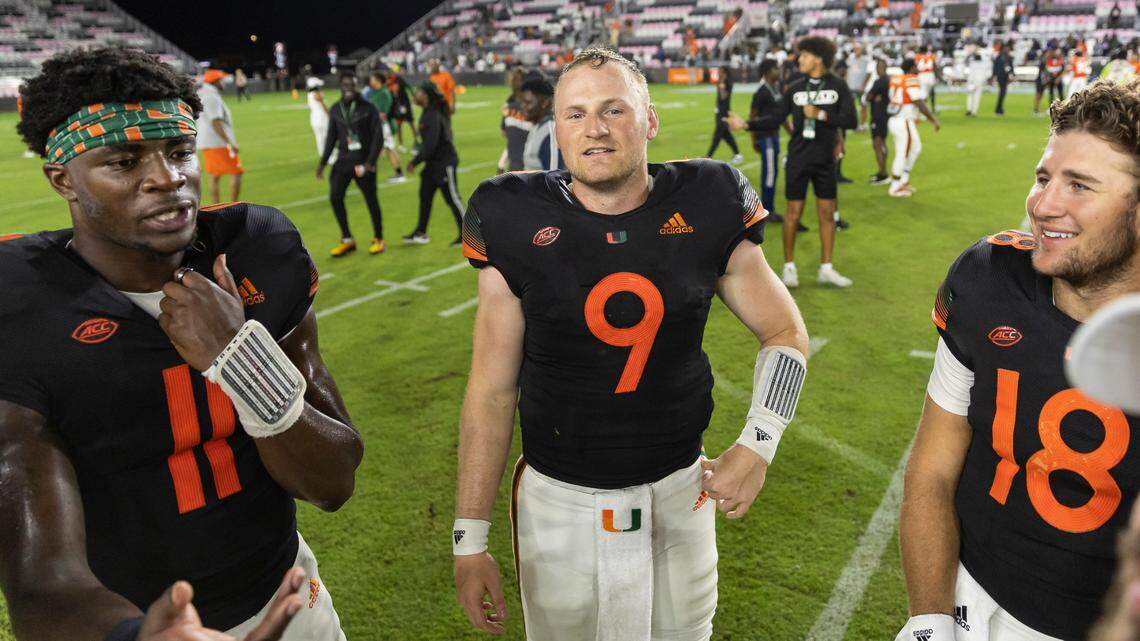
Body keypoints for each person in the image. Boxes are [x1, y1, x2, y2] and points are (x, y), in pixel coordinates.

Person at [6, 46, 363, 641]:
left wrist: (240, 356)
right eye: (124, 162)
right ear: (62, 177)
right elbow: (39, 580)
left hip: (290, 599)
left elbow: (331, 481)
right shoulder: (20, 302)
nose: (168, 180)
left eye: (178, 152)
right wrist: (141, 635)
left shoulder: (255, 250)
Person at [453, 46, 809, 641]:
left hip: (681, 492)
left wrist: (760, 441)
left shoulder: (709, 197)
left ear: (649, 120)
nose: (594, 128)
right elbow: (491, 390)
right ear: (556, 128)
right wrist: (469, 537)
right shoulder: (509, 213)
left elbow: (785, 331)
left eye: (614, 109)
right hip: (557, 501)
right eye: (575, 113)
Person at [897, 78, 1140, 641]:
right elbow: (933, 469)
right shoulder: (987, 277)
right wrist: (929, 620)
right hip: (967, 598)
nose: (1043, 203)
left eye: (1080, 185)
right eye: (1044, 176)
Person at [726, 36, 856, 288]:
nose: (800, 60)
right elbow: (775, 118)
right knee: (793, 213)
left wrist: (820, 114)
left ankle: (826, 268)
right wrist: (746, 125)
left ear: (818, 58)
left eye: (805, 55)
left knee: (827, 213)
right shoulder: (795, 88)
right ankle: (789, 268)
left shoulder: (838, 86)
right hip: (798, 159)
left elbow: (850, 119)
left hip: (825, 161)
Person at [317, 73, 386, 257]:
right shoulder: (336, 109)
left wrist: (370, 163)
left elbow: (378, 138)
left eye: (351, 85)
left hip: (364, 163)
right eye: (345, 84)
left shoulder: (368, 108)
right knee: (335, 197)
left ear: (356, 87)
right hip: (343, 162)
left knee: (371, 200)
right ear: (340, 86)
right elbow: (331, 138)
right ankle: (347, 239)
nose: (348, 88)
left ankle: (378, 238)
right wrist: (323, 163)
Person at [403, 82, 464, 246]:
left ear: (426, 95)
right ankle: (421, 232)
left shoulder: (433, 115)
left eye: (418, 91)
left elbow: (431, 144)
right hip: (432, 164)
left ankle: (469, 236)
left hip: (444, 162)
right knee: (425, 196)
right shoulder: (428, 112)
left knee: (453, 199)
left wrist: (415, 161)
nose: (415, 95)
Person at [887, 58, 940, 198]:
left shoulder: (898, 78)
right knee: (902, 152)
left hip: (899, 119)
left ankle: (903, 180)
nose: (917, 68)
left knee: (916, 148)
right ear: (911, 68)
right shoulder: (911, 79)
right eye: (915, 66)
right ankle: (895, 186)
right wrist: (932, 119)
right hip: (902, 120)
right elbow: (918, 101)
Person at [196, 69, 243, 204]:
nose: (224, 83)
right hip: (217, 143)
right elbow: (215, 121)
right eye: (221, 80)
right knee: (236, 171)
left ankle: (217, 205)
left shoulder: (203, 93)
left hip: (207, 142)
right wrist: (229, 143)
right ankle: (233, 205)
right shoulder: (212, 96)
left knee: (214, 175)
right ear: (215, 81)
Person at [750, 59, 786, 222]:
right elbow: (753, 115)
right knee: (770, 173)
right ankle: (767, 211)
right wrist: (754, 139)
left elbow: (781, 115)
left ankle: (767, 208)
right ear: (767, 72)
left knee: (773, 172)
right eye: (775, 68)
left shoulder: (775, 88)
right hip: (766, 137)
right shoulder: (762, 91)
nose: (778, 71)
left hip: (774, 135)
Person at [366, 72, 407, 183]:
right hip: (378, 126)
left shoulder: (384, 93)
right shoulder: (375, 93)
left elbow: (383, 114)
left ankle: (399, 174)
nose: (370, 81)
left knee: (389, 149)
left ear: (378, 81)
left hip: (382, 126)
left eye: (372, 79)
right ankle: (398, 173)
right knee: (387, 149)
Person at [520, 76, 563, 171]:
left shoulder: (551, 133)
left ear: (544, 102)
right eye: (522, 102)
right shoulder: (537, 126)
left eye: (528, 103)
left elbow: (555, 179)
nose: (523, 107)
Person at [706, 66, 743, 164]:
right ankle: (738, 154)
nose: (718, 73)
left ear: (724, 72)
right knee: (726, 135)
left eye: (719, 71)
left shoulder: (727, 82)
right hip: (720, 111)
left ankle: (708, 156)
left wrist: (721, 85)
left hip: (723, 111)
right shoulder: (721, 81)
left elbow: (723, 97)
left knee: (717, 135)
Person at [498, 67, 532, 173]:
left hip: (523, 169)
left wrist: (501, 164)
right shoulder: (510, 105)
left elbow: (508, 136)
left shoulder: (509, 107)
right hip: (524, 168)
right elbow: (513, 139)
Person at [865, 57, 892, 184]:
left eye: (878, 67)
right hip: (886, 115)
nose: (877, 69)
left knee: (877, 144)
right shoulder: (890, 80)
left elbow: (868, 97)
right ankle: (883, 171)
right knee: (882, 142)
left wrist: (873, 96)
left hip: (878, 115)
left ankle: (883, 173)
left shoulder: (879, 81)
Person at [386, 70, 417, 152]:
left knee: (411, 123)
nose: (388, 74)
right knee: (398, 125)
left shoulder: (398, 79)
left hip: (405, 104)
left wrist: (414, 96)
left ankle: (416, 143)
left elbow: (409, 87)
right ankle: (400, 145)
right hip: (396, 106)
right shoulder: (387, 82)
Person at [306, 76, 334, 162]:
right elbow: (323, 106)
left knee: (319, 137)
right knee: (327, 137)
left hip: (314, 117)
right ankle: (331, 157)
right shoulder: (316, 94)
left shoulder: (309, 94)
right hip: (321, 116)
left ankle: (323, 156)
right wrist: (330, 115)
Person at [966, 47, 992, 117]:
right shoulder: (983, 65)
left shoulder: (973, 64)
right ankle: (974, 112)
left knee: (970, 96)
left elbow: (971, 75)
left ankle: (969, 109)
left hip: (972, 82)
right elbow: (986, 75)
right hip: (980, 83)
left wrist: (969, 83)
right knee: (977, 97)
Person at [993, 42, 1013, 115]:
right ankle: (998, 109)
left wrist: (1011, 75)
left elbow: (1010, 68)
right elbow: (995, 68)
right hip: (1001, 77)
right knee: (1002, 93)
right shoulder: (1000, 57)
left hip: (1005, 78)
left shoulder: (1007, 57)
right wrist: (994, 76)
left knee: (1002, 93)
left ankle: (999, 109)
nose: (1008, 49)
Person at [916, 45, 938, 110]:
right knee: (931, 93)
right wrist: (936, 76)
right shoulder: (931, 56)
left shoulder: (917, 56)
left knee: (923, 94)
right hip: (930, 75)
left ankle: (923, 109)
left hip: (921, 75)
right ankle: (932, 108)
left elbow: (916, 66)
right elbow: (935, 66)